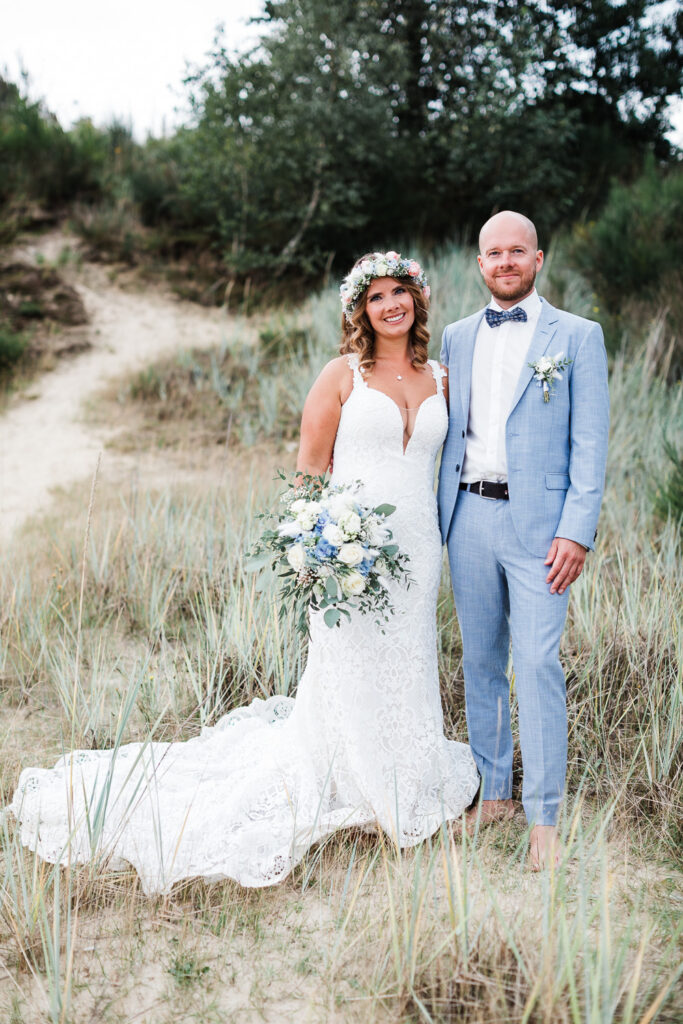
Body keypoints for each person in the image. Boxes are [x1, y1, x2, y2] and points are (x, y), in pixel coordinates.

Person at [9, 252, 478, 893]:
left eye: (401, 292)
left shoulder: (444, 379)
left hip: (418, 550)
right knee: (349, 664)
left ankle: (408, 779)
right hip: (349, 551)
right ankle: (359, 786)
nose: (390, 304)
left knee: (409, 659)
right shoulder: (341, 376)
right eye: (377, 297)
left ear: (419, 300)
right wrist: (318, 551)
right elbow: (309, 472)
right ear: (360, 310)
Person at [437, 211, 609, 870]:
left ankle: (543, 819)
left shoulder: (577, 335)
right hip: (467, 519)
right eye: (492, 253)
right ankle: (494, 796)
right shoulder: (454, 338)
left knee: (535, 666)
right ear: (478, 264)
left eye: (516, 251)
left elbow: (589, 442)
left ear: (536, 259)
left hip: (541, 530)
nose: (504, 262)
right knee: (479, 662)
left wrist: (577, 530)